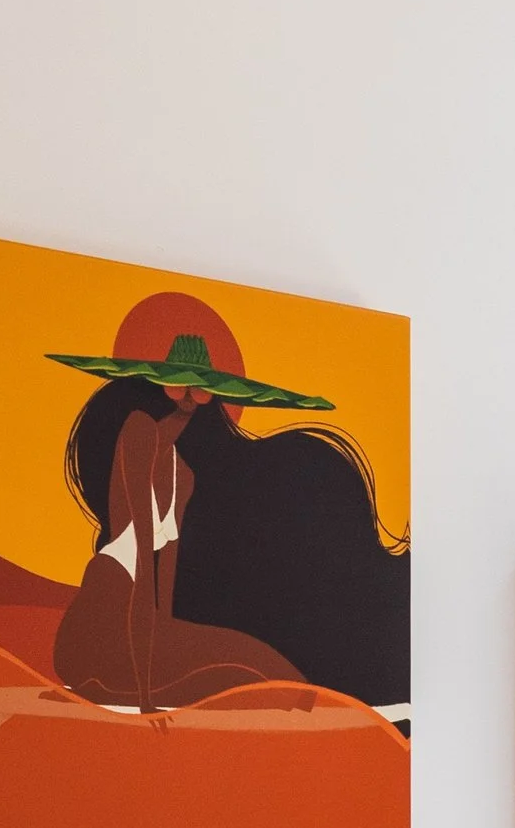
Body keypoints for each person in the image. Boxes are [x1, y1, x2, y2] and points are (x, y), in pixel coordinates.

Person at [49, 296, 409, 718]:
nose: (191, 396)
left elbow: (164, 585)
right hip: (110, 622)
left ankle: (323, 711)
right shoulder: (139, 436)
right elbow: (143, 577)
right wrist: (148, 701)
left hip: (150, 626)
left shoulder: (183, 471)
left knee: (263, 670)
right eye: (181, 385)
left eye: (201, 388)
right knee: (252, 671)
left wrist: (168, 640)